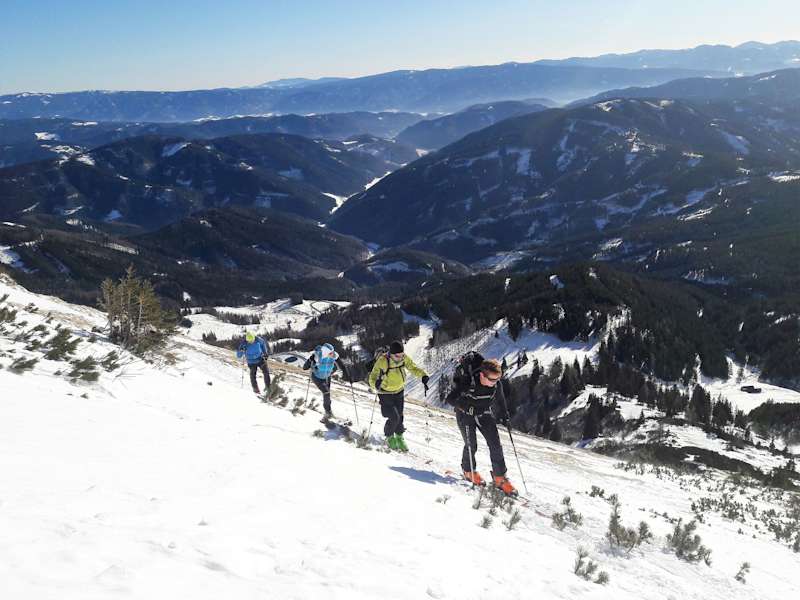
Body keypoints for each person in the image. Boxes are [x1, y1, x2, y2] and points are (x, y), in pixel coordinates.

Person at [446, 357, 517, 495]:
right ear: (482, 375)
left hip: (484, 412)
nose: (494, 383)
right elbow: (450, 398)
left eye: (497, 379)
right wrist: (465, 407)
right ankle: (468, 471)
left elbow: (500, 399)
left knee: (495, 444)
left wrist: (505, 416)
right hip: (465, 414)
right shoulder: (468, 381)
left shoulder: (496, 384)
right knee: (471, 444)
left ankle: (500, 477)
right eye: (492, 380)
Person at [368, 340, 429, 452]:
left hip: (399, 391)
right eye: (398, 356)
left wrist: (423, 376)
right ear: (391, 354)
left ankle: (400, 438)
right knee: (394, 416)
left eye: (402, 355)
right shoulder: (382, 361)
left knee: (400, 416)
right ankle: (389, 436)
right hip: (385, 393)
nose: (400, 358)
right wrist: (375, 384)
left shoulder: (403, 358)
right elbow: (372, 377)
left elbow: (413, 368)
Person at [303, 343, 351, 418]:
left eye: (333, 352)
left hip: (327, 377)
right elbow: (304, 368)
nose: (333, 354)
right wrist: (310, 360)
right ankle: (328, 413)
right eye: (330, 353)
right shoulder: (317, 356)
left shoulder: (334, 355)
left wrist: (348, 376)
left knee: (327, 394)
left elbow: (342, 366)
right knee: (326, 392)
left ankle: (329, 411)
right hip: (317, 377)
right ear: (325, 352)